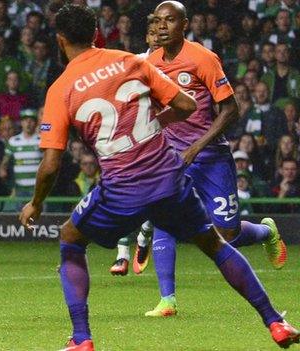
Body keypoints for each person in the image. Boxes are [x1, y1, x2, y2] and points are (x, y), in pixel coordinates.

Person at [18, 4, 298, 350]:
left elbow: (50, 165)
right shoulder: (132, 61)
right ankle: (275, 322)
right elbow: (186, 106)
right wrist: (149, 128)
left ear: (60, 41)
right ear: (95, 34)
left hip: (123, 187)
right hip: (169, 176)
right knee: (214, 243)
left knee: (71, 238)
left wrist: (35, 203)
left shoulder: (61, 88)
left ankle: (81, 339)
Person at [143, 1, 288, 318]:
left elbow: (231, 110)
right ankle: (168, 300)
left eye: (171, 20)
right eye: (159, 20)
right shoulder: (151, 62)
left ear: (185, 24)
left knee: (228, 234)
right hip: (172, 158)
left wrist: (195, 147)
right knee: (164, 219)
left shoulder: (202, 58)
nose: (163, 26)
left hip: (210, 157)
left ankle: (266, 232)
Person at [110, 14, 160, 276]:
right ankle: (122, 255)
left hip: (169, 139)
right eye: (153, 32)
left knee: (159, 198)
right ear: (147, 37)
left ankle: (144, 237)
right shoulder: (138, 63)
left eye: (162, 32)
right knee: (124, 192)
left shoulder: (182, 63)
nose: (158, 36)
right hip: (138, 138)